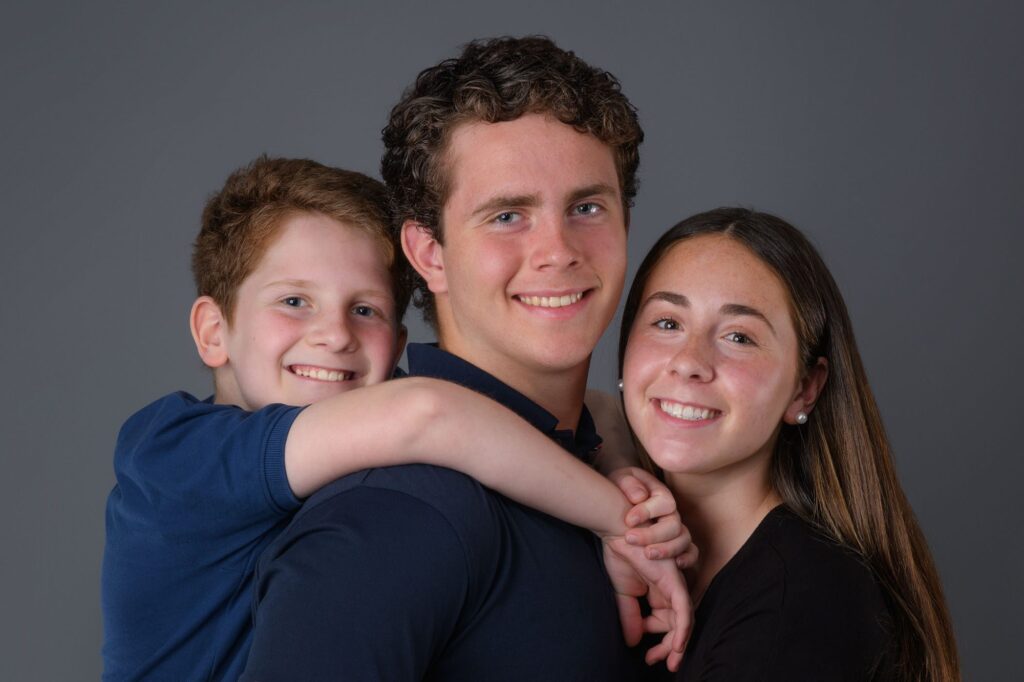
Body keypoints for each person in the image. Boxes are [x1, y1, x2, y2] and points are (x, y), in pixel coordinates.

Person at [101, 156, 691, 681]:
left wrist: (614, 464)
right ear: (213, 332)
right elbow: (431, 413)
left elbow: (597, 405)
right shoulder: (172, 455)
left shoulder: (367, 417)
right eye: (293, 301)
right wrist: (621, 522)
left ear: (399, 340)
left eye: (365, 309)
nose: (335, 336)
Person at [241, 37, 688, 680]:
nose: (558, 251)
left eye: (587, 207)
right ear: (429, 254)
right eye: (508, 215)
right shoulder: (397, 516)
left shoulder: (620, 466)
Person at [618, 207, 960, 680]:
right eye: (668, 323)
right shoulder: (626, 544)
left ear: (805, 389)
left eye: (739, 336)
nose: (689, 362)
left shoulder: (804, 598)